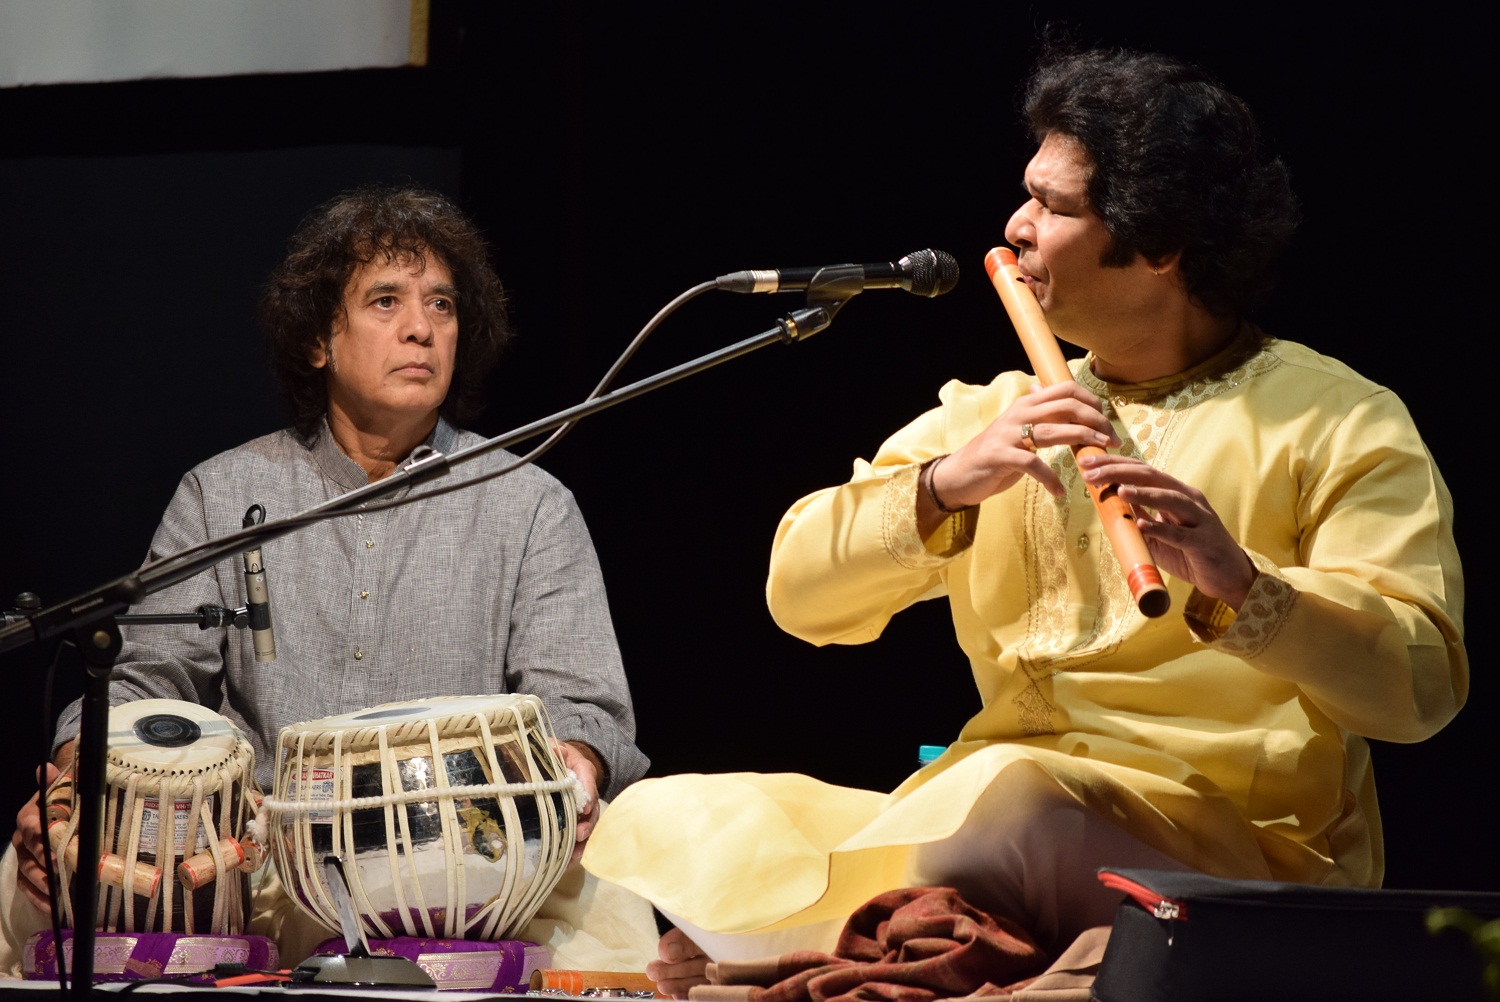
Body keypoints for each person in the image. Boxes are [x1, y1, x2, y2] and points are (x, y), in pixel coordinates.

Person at [583, 47, 1467, 996]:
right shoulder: (997, 413)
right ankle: (885, 933)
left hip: (1222, 848)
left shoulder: (1335, 419)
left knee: (1015, 801)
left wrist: (1242, 586)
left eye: (1053, 206)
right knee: (672, 817)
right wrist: (946, 485)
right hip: (985, 812)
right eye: (1026, 196)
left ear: (1160, 245)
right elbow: (797, 594)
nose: (1016, 226)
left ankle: (820, 944)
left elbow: (1418, 689)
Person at [1, 185, 654, 972]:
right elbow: (145, 684)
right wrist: (74, 783)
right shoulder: (224, 494)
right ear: (318, 339)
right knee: (25, 871)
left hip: (464, 867)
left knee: (614, 902)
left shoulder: (530, 504)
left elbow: (582, 704)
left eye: (442, 304)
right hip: (257, 863)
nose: (421, 328)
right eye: (386, 301)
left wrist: (576, 763)